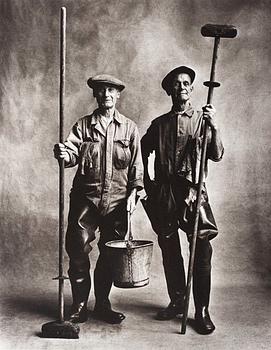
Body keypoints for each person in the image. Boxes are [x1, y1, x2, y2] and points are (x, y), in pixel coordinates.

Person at [54, 74, 143, 324]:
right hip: (86, 198)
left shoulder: (129, 128)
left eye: (111, 90)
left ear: (118, 95)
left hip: (118, 201)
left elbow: (137, 166)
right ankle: (79, 305)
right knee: (77, 249)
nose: (106, 94)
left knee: (110, 254)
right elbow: (71, 155)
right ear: (95, 95)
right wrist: (64, 153)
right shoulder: (83, 126)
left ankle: (102, 304)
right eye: (101, 90)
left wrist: (134, 193)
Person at [141, 66, 224, 334]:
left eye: (187, 82)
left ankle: (201, 310)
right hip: (165, 194)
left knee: (200, 252)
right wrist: (149, 187)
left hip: (193, 193)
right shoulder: (158, 125)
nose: (183, 87)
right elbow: (143, 154)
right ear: (169, 90)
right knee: (170, 250)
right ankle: (178, 301)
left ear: (192, 87)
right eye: (176, 84)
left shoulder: (202, 119)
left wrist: (214, 126)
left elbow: (217, 153)